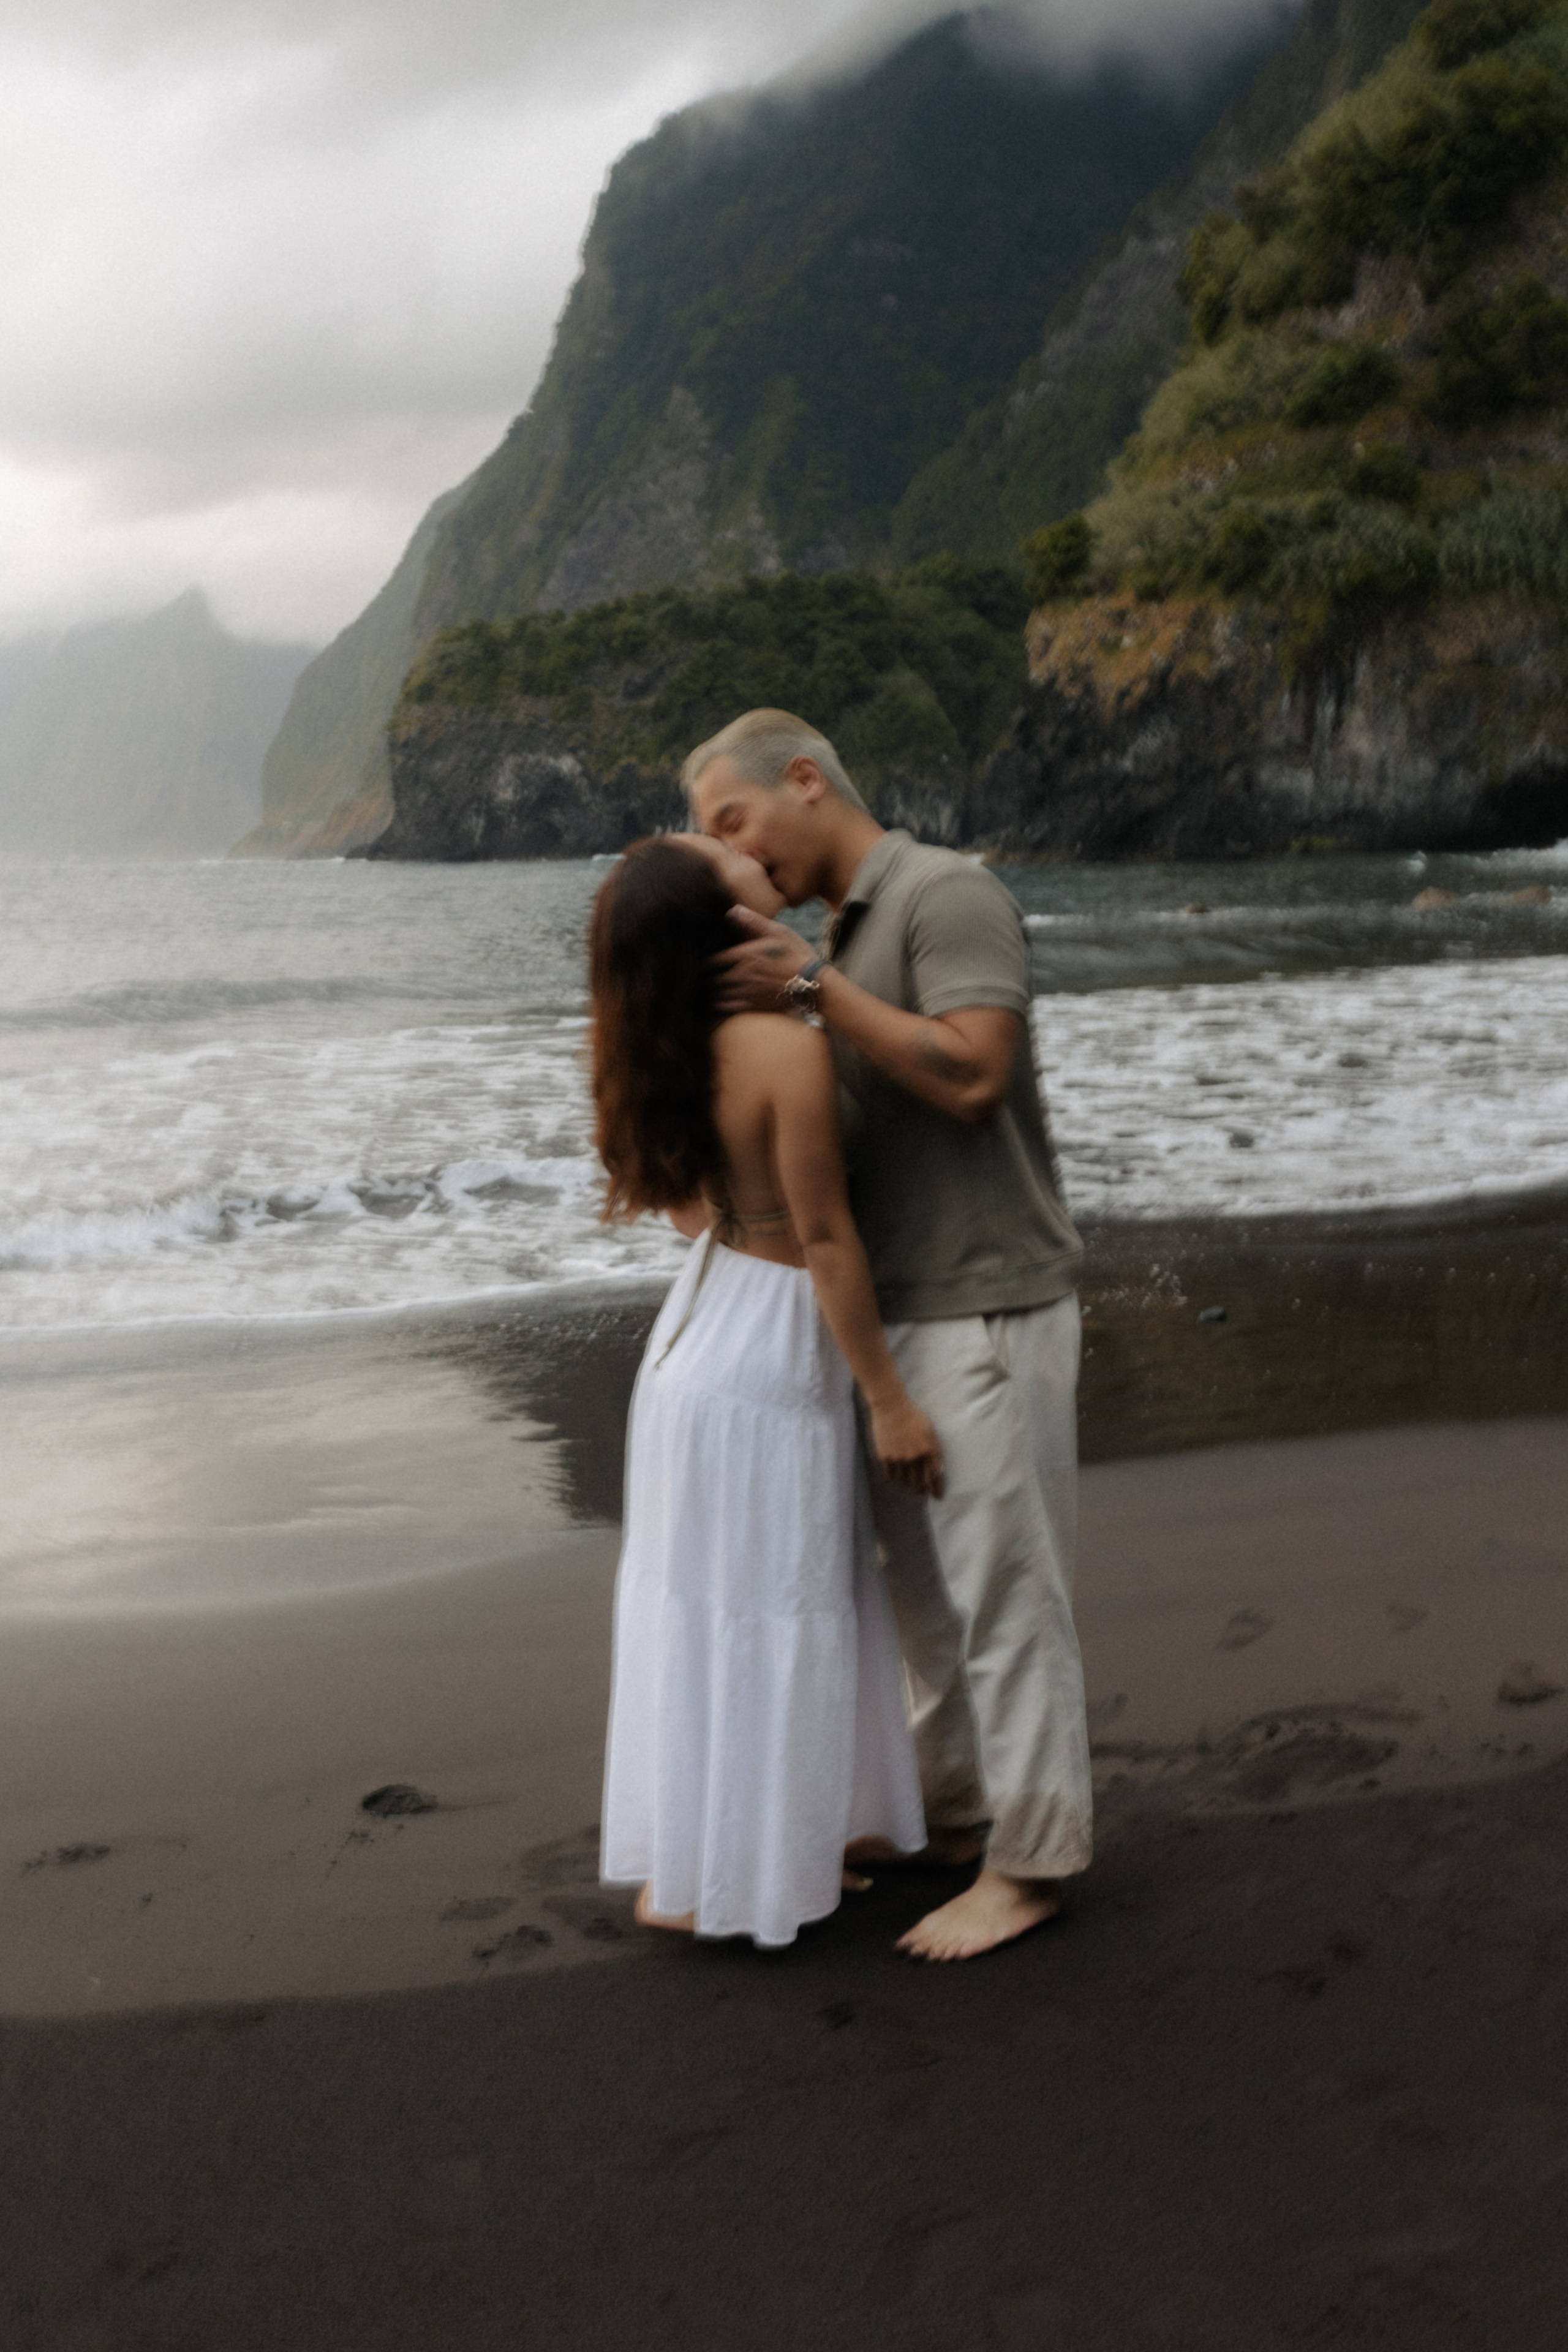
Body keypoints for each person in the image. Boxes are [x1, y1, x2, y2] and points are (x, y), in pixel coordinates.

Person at [685, 708, 1090, 1962]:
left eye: (733, 820)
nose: (733, 854)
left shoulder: (943, 894)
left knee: (1005, 1598)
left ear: (805, 779)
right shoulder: (843, 933)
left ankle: (1032, 1863)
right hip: (904, 1315)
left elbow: (972, 1074)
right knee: (925, 1605)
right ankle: (955, 1817)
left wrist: (809, 991)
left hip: (985, 1302)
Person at [592, 831, 940, 1948]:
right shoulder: (784, 1049)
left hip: (697, 1336)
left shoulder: (656, 1042)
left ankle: (701, 1864)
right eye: (719, 853)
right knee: (779, 1600)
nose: (739, 847)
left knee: (706, 1606)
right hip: (771, 1354)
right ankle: (747, 1874)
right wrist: (889, 1399)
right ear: (719, 914)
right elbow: (827, 1241)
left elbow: (690, 1212)